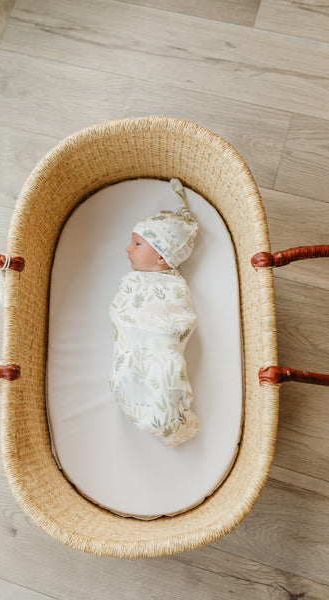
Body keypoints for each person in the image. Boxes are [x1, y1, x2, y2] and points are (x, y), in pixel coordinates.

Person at [109, 179, 200, 446]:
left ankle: (170, 418)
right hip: (132, 346)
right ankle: (142, 406)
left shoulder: (173, 286)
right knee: (128, 373)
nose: (128, 249)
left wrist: (161, 330)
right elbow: (123, 311)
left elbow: (179, 317)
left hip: (159, 343)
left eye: (137, 244)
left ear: (162, 256)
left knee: (166, 372)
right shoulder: (133, 279)